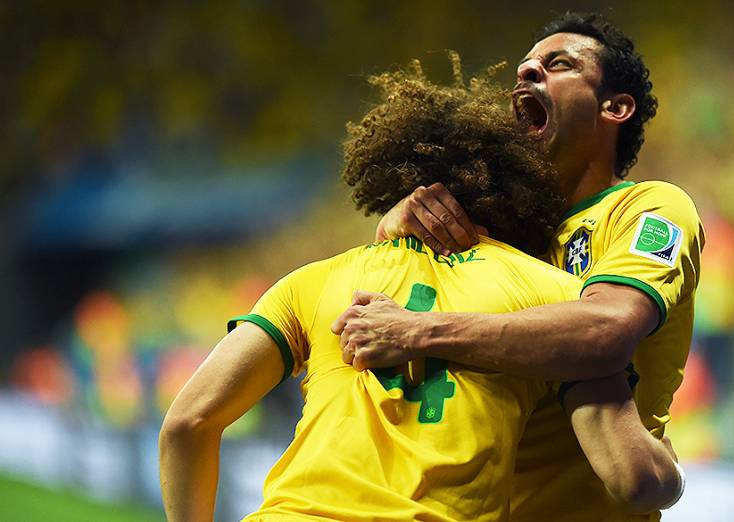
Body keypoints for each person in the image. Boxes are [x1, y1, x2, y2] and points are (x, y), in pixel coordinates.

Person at [159, 61, 681, 522]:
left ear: (402, 182)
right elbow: (632, 480)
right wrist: (669, 467)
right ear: (526, 194)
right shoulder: (555, 299)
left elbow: (187, 422)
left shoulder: (317, 280)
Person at [334, 12, 705, 521]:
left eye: (558, 65)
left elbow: (608, 329)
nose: (529, 73)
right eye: (525, 68)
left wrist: (420, 333)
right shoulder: (492, 233)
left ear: (615, 107)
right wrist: (391, 232)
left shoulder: (650, 208)